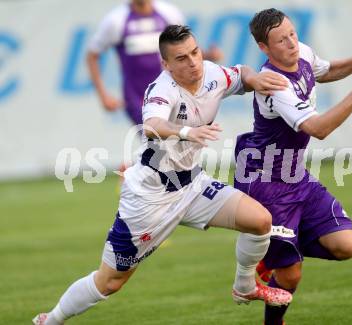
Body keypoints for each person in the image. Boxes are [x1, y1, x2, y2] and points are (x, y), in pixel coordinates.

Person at [32, 25, 293, 325]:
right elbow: (153, 124)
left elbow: (241, 72)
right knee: (110, 282)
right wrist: (186, 131)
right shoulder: (161, 89)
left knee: (259, 221)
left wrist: (255, 79)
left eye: (194, 52)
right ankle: (50, 320)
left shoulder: (211, 74)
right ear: (166, 64)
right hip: (149, 196)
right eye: (181, 58)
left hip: (192, 185)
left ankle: (245, 286)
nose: (192, 62)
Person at [233, 8, 352, 325]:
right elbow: (318, 128)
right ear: (265, 48)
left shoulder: (302, 51)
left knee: (347, 245)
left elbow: (327, 70)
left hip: (296, 176)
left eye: (292, 34)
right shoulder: (275, 85)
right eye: (281, 40)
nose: (292, 43)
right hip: (266, 183)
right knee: (291, 276)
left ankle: (275, 247)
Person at [87, 0, 223, 126]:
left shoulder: (168, 14)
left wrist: (208, 55)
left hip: (172, 92)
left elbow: (183, 50)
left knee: (177, 145)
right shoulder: (116, 21)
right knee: (159, 141)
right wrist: (103, 96)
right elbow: (92, 56)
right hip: (136, 98)